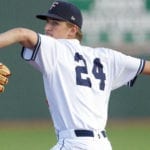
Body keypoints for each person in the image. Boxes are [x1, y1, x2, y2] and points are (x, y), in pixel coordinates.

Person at [0, 0, 150, 149]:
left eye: (55, 23)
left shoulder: (56, 49)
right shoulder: (108, 57)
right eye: (47, 22)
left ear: (72, 30)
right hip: (102, 145)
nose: (47, 28)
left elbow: (21, 33)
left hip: (74, 144)